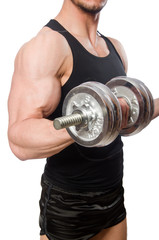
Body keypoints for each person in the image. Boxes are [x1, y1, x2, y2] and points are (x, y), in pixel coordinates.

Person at [8, 0, 159, 240]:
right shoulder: (47, 46)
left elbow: (123, 116)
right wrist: (87, 124)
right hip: (68, 205)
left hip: (113, 196)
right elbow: (19, 140)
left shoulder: (115, 47)